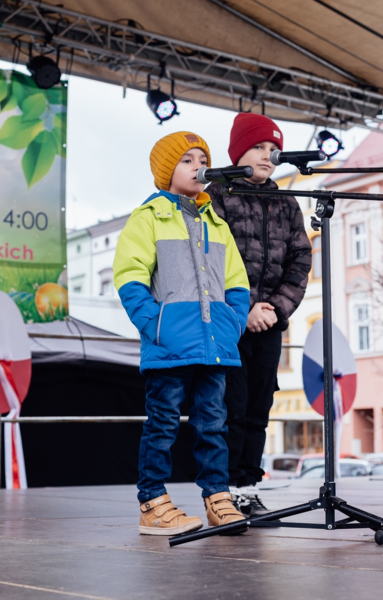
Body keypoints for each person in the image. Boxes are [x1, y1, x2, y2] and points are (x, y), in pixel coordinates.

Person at [113, 131, 250, 536]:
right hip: (169, 346)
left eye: (201, 158)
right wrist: (156, 326)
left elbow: (237, 284)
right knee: (163, 424)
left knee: (213, 424)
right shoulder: (148, 217)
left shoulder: (217, 224)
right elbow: (129, 278)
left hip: (214, 347)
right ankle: (152, 502)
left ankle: (217, 498)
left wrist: (232, 323)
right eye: (187, 159)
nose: (197, 166)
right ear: (165, 170)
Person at [207, 113, 312, 517]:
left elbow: (301, 258)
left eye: (273, 150)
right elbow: (212, 258)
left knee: (258, 408)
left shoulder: (286, 200)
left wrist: (275, 308)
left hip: (270, 322)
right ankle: (224, 491)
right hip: (229, 321)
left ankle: (248, 486)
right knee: (228, 408)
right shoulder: (216, 194)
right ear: (238, 151)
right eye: (259, 148)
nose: (269, 156)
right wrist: (245, 308)